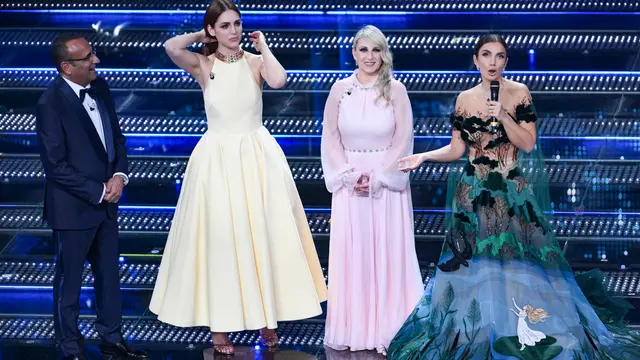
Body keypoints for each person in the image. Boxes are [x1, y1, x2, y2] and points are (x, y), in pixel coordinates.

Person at [387, 34, 640, 359]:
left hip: (511, 194)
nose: (493, 62)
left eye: (500, 56)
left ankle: (524, 334)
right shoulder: (463, 99)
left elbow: (528, 143)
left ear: (506, 61)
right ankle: (478, 332)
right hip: (473, 194)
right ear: (476, 60)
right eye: (487, 55)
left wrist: (504, 116)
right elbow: (456, 149)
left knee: (523, 266)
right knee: (476, 268)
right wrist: (423, 157)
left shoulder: (519, 93)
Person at [148, 0, 327, 355]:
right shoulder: (203, 65)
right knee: (222, 243)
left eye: (238, 24)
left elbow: (278, 80)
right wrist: (205, 35)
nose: (235, 31)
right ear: (215, 29)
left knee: (262, 236)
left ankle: (266, 321)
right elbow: (171, 47)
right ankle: (220, 329)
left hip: (256, 157)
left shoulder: (254, 62)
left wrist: (262, 47)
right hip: (217, 160)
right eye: (226, 25)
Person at [36, 34, 148, 360]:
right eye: (87, 57)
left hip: (107, 204)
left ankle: (112, 340)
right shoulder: (50, 103)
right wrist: (99, 191)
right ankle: (70, 347)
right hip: (74, 208)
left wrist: (119, 176)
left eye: (93, 54)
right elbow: (55, 166)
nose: (95, 60)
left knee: (109, 277)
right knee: (69, 283)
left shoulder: (101, 88)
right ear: (66, 67)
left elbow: (117, 139)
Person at [321, 25, 423, 355]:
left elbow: (403, 138)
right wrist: (347, 175)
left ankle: (389, 328)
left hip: (386, 185)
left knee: (388, 252)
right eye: (363, 50)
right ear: (354, 53)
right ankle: (355, 327)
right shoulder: (340, 90)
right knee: (355, 255)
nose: (369, 57)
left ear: (384, 54)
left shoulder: (396, 89)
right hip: (350, 185)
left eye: (375, 50)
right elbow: (331, 137)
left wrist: (379, 175)